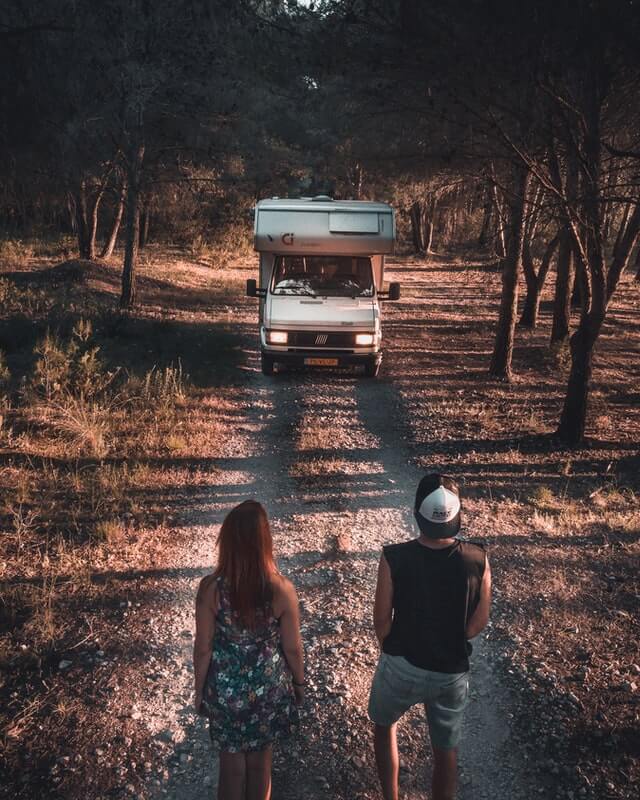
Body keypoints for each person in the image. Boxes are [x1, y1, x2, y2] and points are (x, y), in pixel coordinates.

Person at [368, 474, 491, 800]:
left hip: (401, 664)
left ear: (417, 513)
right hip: (450, 672)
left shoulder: (393, 556)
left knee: (384, 726)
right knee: (445, 750)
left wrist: (394, 648)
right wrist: (449, 636)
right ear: (456, 516)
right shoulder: (478, 558)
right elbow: (478, 622)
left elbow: (381, 620)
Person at [193, 500, 305, 800]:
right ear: (265, 543)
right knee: (260, 767)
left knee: (231, 769)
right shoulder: (282, 589)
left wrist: (198, 689)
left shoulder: (210, 589)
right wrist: (298, 684)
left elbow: (202, 648)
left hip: (225, 692)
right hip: (267, 691)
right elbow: (293, 649)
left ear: (226, 542)